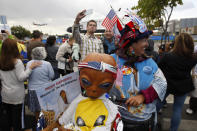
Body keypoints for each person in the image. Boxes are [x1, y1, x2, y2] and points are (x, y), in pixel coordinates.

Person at [109, 14, 167, 131]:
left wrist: (143, 96)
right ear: (130, 44)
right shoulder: (111, 60)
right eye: (144, 40)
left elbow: (162, 83)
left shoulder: (149, 62)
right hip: (117, 119)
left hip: (143, 122)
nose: (147, 44)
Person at [43, 53, 122, 131]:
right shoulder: (78, 101)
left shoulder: (110, 108)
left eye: (104, 85)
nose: (94, 89)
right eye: (86, 82)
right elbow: (61, 121)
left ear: (112, 84)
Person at [158, 33, 197, 131]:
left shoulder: (168, 56)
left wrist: (166, 50)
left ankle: (153, 124)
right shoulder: (193, 58)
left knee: (157, 105)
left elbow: (159, 68)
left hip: (167, 85)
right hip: (183, 86)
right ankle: (173, 129)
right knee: (177, 109)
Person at [0, 38, 40, 131]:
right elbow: (22, 78)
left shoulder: (1, 61)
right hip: (17, 96)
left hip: (5, 94)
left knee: (8, 118)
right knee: (17, 119)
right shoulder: (17, 62)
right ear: (15, 48)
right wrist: (30, 68)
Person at [27, 46, 54, 122]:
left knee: (36, 109)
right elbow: (52, 76)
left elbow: (27, 76)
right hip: (45, 89)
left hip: (33, 89)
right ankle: (45, 123)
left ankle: (37, 122)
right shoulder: (47, 64)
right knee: (45, 108)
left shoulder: (29, 63)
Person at [185, 45, 197, 115]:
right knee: (194, 94)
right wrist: (192, 72)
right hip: (195, 74)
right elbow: (192, 57)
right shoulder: (196, 47)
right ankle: (192, 108)